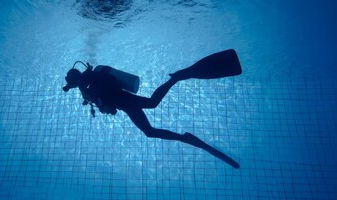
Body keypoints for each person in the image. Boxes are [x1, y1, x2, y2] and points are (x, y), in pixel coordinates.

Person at [63, 50, 242, 169]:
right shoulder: (86, 84)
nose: (69, 85)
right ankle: (183, 137)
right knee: (149, 129)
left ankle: (177, 78)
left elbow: (105, 97)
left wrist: (104, 106)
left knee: (152, 103)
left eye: (70, 82)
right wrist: (103, 105)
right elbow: (104, 101)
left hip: (123, 100)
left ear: (74, 78)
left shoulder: (89, 82)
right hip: (124, 104)